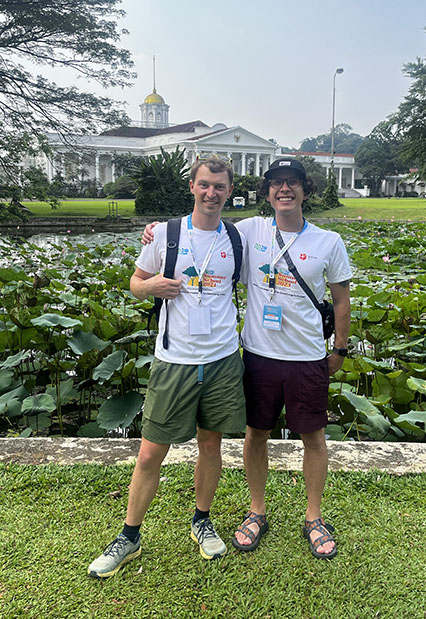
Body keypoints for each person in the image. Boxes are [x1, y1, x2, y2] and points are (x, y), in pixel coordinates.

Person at [142, 157, 351, 560]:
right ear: (266, 191)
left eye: (292, 183)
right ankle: (257, 511)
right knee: (256, 435)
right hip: (257, 355)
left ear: (306, 190)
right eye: (276, 183)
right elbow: (200, 225)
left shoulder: (328, 241)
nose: (284, 189)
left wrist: (339, 349)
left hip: (307, 356)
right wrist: (154, 231)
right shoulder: (248, 231)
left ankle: (313, 517)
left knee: (314, 438)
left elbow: (341, 300)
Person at [88, 158, 246, 578]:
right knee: (149, 453)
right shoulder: (165, 233)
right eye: (204, 185)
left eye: (220, 187)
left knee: (211, 445)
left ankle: (202, 519)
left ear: (230, 191)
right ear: (191, 186)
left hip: (222, 359)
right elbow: (136, 282)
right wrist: (150, 286)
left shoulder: (238, 235)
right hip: (174, 359)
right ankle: (129, 535)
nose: (211, 193)